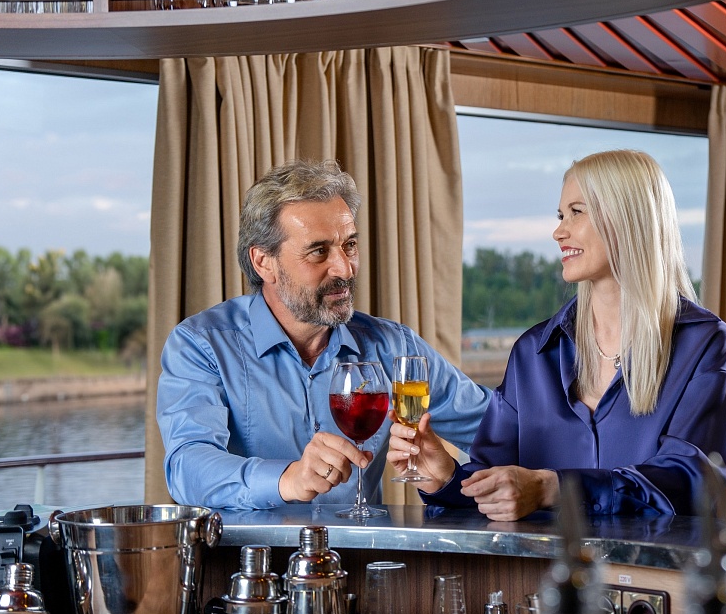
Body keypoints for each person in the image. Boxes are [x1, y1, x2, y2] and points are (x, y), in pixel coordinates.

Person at [388, 149, 726, 521]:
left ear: (628, 218)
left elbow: (688, 482)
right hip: (547, 562)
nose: (559, 232)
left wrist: (555, 488)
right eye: (561, 215)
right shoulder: (533, 353)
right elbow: (495, 482)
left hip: (659, 562)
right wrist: (446, 478)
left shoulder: (704, 344)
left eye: (577, 211)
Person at [158, 159, 491, 509]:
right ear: (263, 262)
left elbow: (504, 433)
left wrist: (461, 480)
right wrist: (288, 478)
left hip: (364, 546)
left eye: (350, 245)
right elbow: (187, 467)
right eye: (319, 251)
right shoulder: (201, 345)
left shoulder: (394, 346)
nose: (344, 268)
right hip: (250, 547)